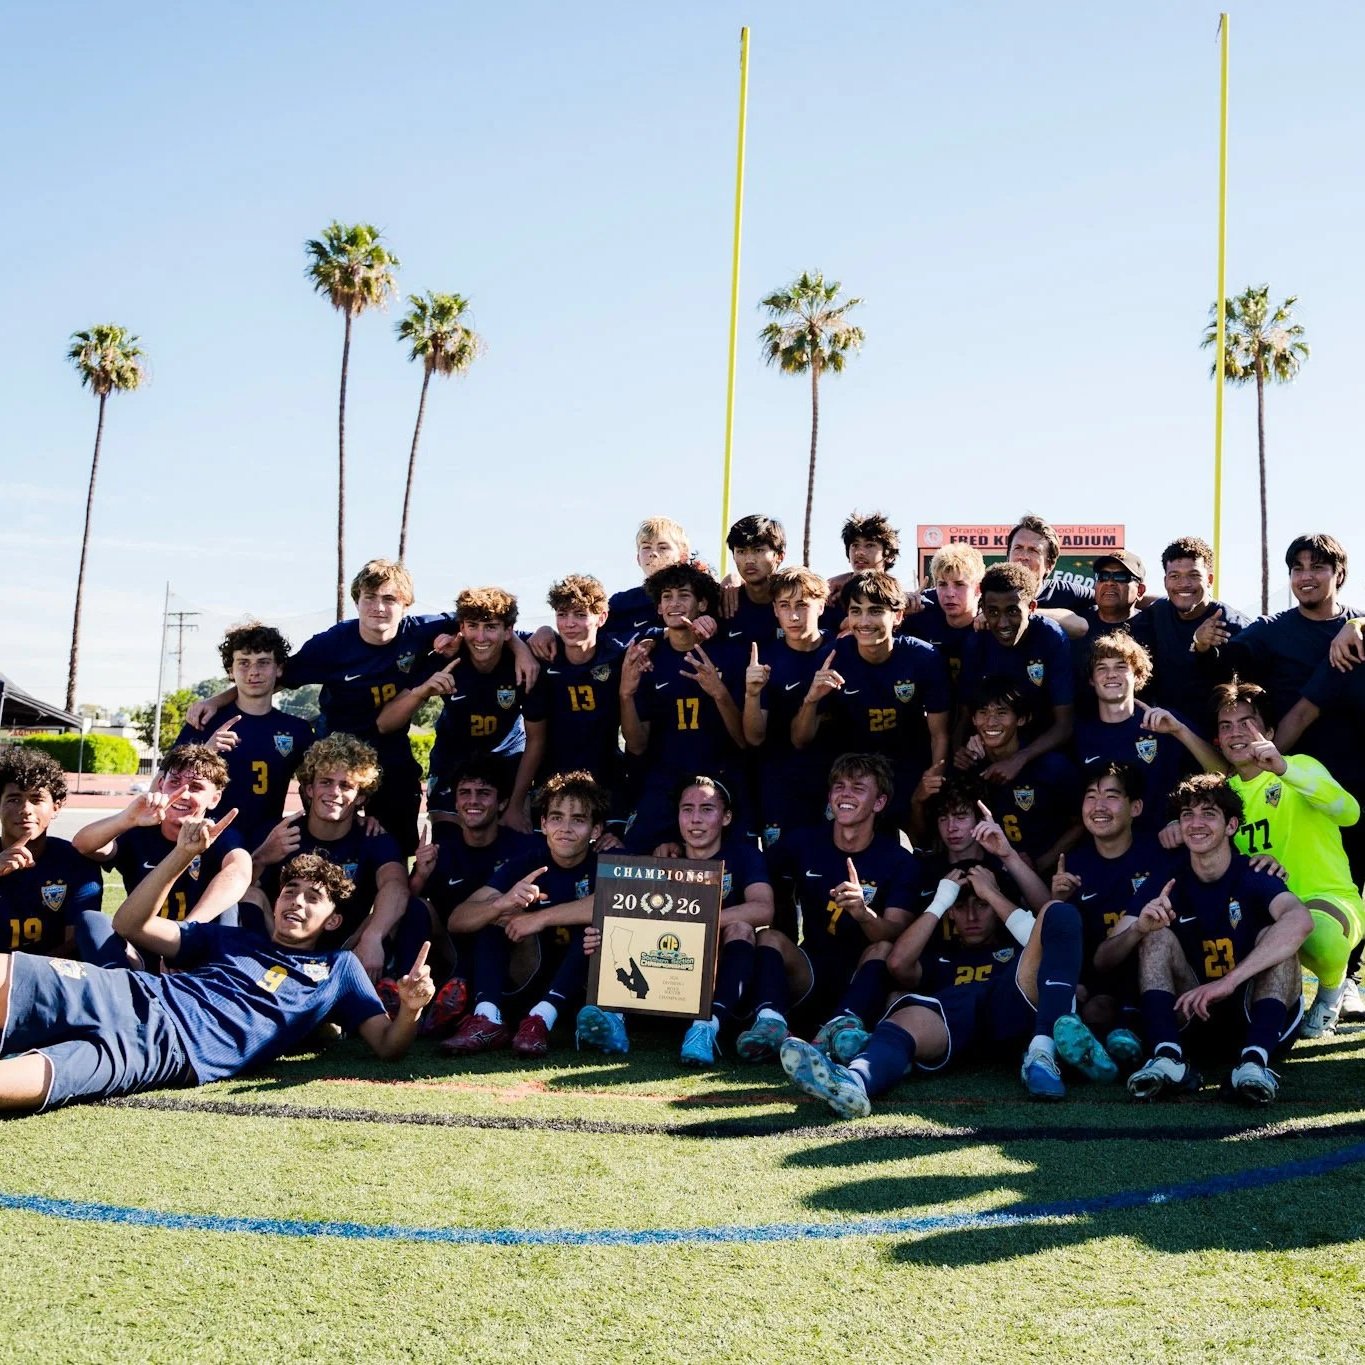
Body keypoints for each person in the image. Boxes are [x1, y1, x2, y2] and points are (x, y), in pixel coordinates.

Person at [0, 817, 434, 1114]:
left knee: (18, 1084)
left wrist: (411, 1007)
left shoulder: (338, 968)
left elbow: (388, 1046)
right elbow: (131, 923)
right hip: (130, 994)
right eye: (290, 891)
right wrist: (182, 855)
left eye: (313, 898)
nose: (296, 902)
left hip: (160, 1054)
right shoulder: (231, 939)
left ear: (334, 919)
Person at [186, 559, 475, 856]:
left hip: (390, 752)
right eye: (369, 598)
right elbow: (273, 678)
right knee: (324, 844)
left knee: (395, 846)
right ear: (357, 602)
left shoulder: (423, 629)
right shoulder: (332, 644)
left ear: (406, 605)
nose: (379, 607)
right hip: (337, 751)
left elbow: (483, 617)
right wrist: (216, 699)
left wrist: (519, 650)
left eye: (389, 599)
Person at [779, 871, 1114, 1115]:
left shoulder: (1016, 947)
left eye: (981, 905)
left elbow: (1058, 938)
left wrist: (992, 892)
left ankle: (1042, 1055)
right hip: (954, 1017)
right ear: (952, 912)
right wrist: (941, 901)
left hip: (1015, 1001)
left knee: (1059, 912)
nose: (970, 915)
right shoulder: (941, 951)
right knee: (905, 1016)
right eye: (962, 906)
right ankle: (854, 1082)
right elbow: (897, 962)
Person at [1105, 774, 1312, 1105]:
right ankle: (1168, 1058)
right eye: (1187, 814)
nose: (1195, 823)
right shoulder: (1167, 878)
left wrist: (1228, 982)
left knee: (1278, 942)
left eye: (1208, 814)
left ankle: (1255, 1064)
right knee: (1154, 936)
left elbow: (1301, 921)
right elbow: (1105, 957)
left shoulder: (1255, 874)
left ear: (1231, 826)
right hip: (1193, 1016)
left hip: (1254, 1014)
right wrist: (1139, 929)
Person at [1204, 680, 1365, 1039]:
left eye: (1247, 723)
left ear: (1271, 731)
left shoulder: (1299, 766)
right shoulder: (1222, 796)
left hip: (1328, 900)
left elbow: (1350, 812)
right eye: (1225, 726)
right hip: (1262, 910)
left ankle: (1331, 989)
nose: (1236, 733)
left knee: (1319, 937)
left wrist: (1283, 770)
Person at [576, 774, 774, 1064]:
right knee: (613, 924)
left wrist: (699, 921)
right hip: (661, 978)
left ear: (727, 817)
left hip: (716, 982)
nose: (695, 819)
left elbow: (763, 909)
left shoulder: (744, 855)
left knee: (742, 928)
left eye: (707, 809)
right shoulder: (661, 861)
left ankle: (706, 1030)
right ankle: (613, 1018)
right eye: (687, 809)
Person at [734, 755, 919, 1062]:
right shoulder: (804, 842)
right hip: (812, 968)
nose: (845, 794)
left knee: (884, 947)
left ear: (879, 802)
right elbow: (751, 866)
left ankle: (843, 1027)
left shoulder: (899, 861)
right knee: (769, 938)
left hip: (861, 974)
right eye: (839, 786)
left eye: (858, 788)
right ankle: (771, 1024)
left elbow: (897, 930)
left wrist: (864, 914)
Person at [441, 771, 607, 1057]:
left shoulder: (605, 864)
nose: (565, 828)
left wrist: (539, 917)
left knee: (592, 930)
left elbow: (610, 903)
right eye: (556, 817)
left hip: (582, 988)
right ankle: (488, 1018)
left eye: (578, 820)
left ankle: (543, 1019)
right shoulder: (528, 863)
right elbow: (457, 919)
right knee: (495, 920)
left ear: (595, 830)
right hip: (530, 974)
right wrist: (501, 903)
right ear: (543, 824)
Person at [252, 734, 432, 992]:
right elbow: (238, 892)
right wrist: (261, 857)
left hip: (346, 951)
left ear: (361, 796)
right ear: (309, 789)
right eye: (325, 782)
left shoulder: (373, 837)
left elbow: (395, 886)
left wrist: (373, 937)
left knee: (413, 908)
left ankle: (398, 993)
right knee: (250, 894)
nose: (334, 793)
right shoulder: (280, 833)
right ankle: (247, 973)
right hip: (282, 946)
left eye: (346, 785)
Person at [792, 571, 950, 830]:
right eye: (856, 611)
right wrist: (811, 700)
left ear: (897, 616)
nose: (864, 621)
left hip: (907, 766)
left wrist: (934, 776)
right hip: (852, 774)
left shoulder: (923, 657)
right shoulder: (832, 657)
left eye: (875, 611)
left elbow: (939, 734)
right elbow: (800, 740)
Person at [382, 585, 542, 835]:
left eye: (490, 627)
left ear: (508, 631)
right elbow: (385, 723)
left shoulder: (526, 665)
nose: (480, 637)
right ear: (462, 628)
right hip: (452, 762)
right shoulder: (445, 660)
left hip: (507, 759)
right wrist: (421, 691)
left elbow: (537, 738)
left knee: (512, 848)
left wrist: (517, 803)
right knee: (449, 848)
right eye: (473, 626)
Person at [620, 562, 747, 853]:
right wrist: (625, 695)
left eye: (683, 595)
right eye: (667, 596)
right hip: (665, 782)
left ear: (702, 603)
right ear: (658, 607)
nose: (674, 603)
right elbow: (637, 745)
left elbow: (744, 739)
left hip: (720, 779)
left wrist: (719, 693)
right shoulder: (648, 658)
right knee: (631, 857)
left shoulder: (728, 654)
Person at [1052, 760, 1175, 1052]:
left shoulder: (1160, 852)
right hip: (1104, 978)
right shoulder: (1074, 864)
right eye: (1091, 796)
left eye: (1111, 796)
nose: (1099, 806)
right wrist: (1057, 900)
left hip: (1155, 975)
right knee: (1096, 1009)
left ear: (1136, 807)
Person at [73, 745, 251, 937]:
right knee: (91, 921)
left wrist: (186, 933)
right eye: (174, 782)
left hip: (199, 939)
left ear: (214, 799)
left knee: (233, 904)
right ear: (160, 786)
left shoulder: (217, 833)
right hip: (144, 940)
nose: (183, 794)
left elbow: (239, 872)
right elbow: (82, 845)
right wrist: (127, 818)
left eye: (196, 787)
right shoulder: (140, 833)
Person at [173, 624, 315, 850]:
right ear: (231, 670)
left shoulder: (296, 729)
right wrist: (206, 752)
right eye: (244, 663)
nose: (253, 672)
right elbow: (166, 782)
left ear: (279, 668)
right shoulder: (205, 720)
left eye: (263, 662)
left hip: (269, 841)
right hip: (208, 839)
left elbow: (319, 786)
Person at [1072, 635, 1214, 835]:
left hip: (1165, 846)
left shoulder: (1166, 721)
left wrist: (1180, 731)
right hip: (1108, 850)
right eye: (1102, 668)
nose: (1111, 674)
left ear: (1138, 675)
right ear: (1091, 680)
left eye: (1121, 667)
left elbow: (1221, 771)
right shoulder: (1081, 734)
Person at [742, 567, 839, 845]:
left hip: (835, 779)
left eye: (802, 605)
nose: (793, 616)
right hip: (779, 780)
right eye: (785, 606)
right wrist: (751, 694)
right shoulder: (766, 659)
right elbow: (754, 736)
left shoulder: (842, 650)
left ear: (821, 606)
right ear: (775, 610)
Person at [520, 575, 627, 811]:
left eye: (580, 615)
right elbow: (535, 739)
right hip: (552, 782)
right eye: (562, 614)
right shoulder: (544, 656)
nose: (569, 623)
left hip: (606, 781)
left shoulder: (618, 657)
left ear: (602, 617)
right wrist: (517, 803)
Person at [955, 677, 1081, 874]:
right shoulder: (969, 765)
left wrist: (1042, 863)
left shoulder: (1052, 767)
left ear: (1022, 718)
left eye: (1001, 713)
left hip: (1051, 873)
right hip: (991, 875)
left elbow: (1081, 823)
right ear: (973, 719)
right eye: (982, 713)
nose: (990, 721)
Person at [1126, 537, 1249, 738]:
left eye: (1193, 575)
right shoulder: (1156, 615)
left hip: (1214, 740)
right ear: (1165, 581)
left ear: (1209, 580)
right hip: (1162, 733)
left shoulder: (1234, 626)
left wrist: (1202, 648)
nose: (1184, 584)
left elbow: (1240, 693)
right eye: (1174, 576)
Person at [958, 562, 1075, 774]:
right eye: (992, 612)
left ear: (1031, 607)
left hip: (1041, 748)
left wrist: (1020, 758)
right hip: (994, 743)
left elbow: (1065, 724)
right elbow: (965, 712)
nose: (1002, 623)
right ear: (982, 608)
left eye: (1012, 611)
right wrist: (958, 751)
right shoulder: (976, 642)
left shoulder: (1051, 637)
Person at [0, 748, 108, 963]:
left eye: (36, 799)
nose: (25, 809)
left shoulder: (76, 863)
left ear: (56, 807)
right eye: (14, 799)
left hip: (51, 977)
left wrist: (26, 976)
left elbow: (76, 941)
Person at [903, 542, 984, 699]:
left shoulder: (993, 615)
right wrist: (897, 612)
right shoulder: (920, 610)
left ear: (978, 589)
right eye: (942, 584)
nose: (950, 593)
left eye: (959, 584)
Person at [603, 516, 693, 648]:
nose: (653, 553)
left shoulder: (698, 597)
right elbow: (601, 639)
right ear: (638, 558)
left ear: (683, 556)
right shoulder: (622, 603)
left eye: (662, 547)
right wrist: (655, 634)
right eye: (646, 547)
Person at [822, 511, 902, 632]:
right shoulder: (831, 599)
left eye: (869, 545)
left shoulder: (899, 600)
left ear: (888, 555)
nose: (859, 552)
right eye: (855, 545)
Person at [716, 514, 787, 650]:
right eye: (741, 551)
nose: (749, 560)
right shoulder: (723, 603)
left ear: (779, 556)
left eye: (758, 550)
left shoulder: (800, 603)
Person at [1005, 513, 1093, 619]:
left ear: (1050, 565)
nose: (1024, 556)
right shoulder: (989, 593)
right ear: (1008, 555)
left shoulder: (1066, 594)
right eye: (1018, 548)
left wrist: (1027, 613)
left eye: (1033, 550)